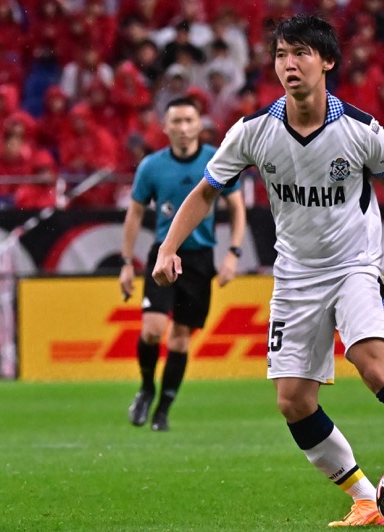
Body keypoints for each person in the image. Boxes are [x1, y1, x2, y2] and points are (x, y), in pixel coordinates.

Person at [152, 14, 384, 526]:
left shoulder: (359, 129)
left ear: (327, 61)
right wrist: (166, 249)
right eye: (282, 55)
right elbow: (205, 193)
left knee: (373, 363)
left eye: (302, 54)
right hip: (295, 275)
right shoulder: (253, 132)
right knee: (292, 401)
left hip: (354, 265)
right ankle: (363, 498)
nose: (290, 64)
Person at [119, 97, 246, 432]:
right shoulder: (151, 166)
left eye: (189, 120)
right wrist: (126, 262)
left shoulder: (215, 160)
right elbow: (134, 212)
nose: (183, 128)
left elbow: (237, 206)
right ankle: (147, 387)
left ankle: (162, 410)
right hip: (164, 253)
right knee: (151, 330)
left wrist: (233, 252)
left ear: (199, 123)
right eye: (176, 121)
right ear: (165, 127)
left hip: (200, 259)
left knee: (179, 340)